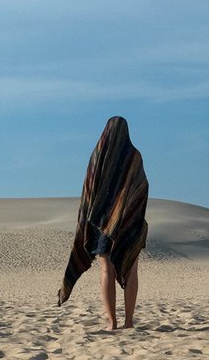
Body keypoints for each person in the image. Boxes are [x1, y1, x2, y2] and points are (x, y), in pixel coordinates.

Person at [58, 116, 149, 329]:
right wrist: (128, 214)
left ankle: (112, 322)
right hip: (128, 223)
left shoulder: (97, 156)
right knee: (131, 269)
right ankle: (128, 322)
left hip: (101, 224)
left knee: (107, 269)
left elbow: (88, 192)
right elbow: (142, 189)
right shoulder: (134, 157)